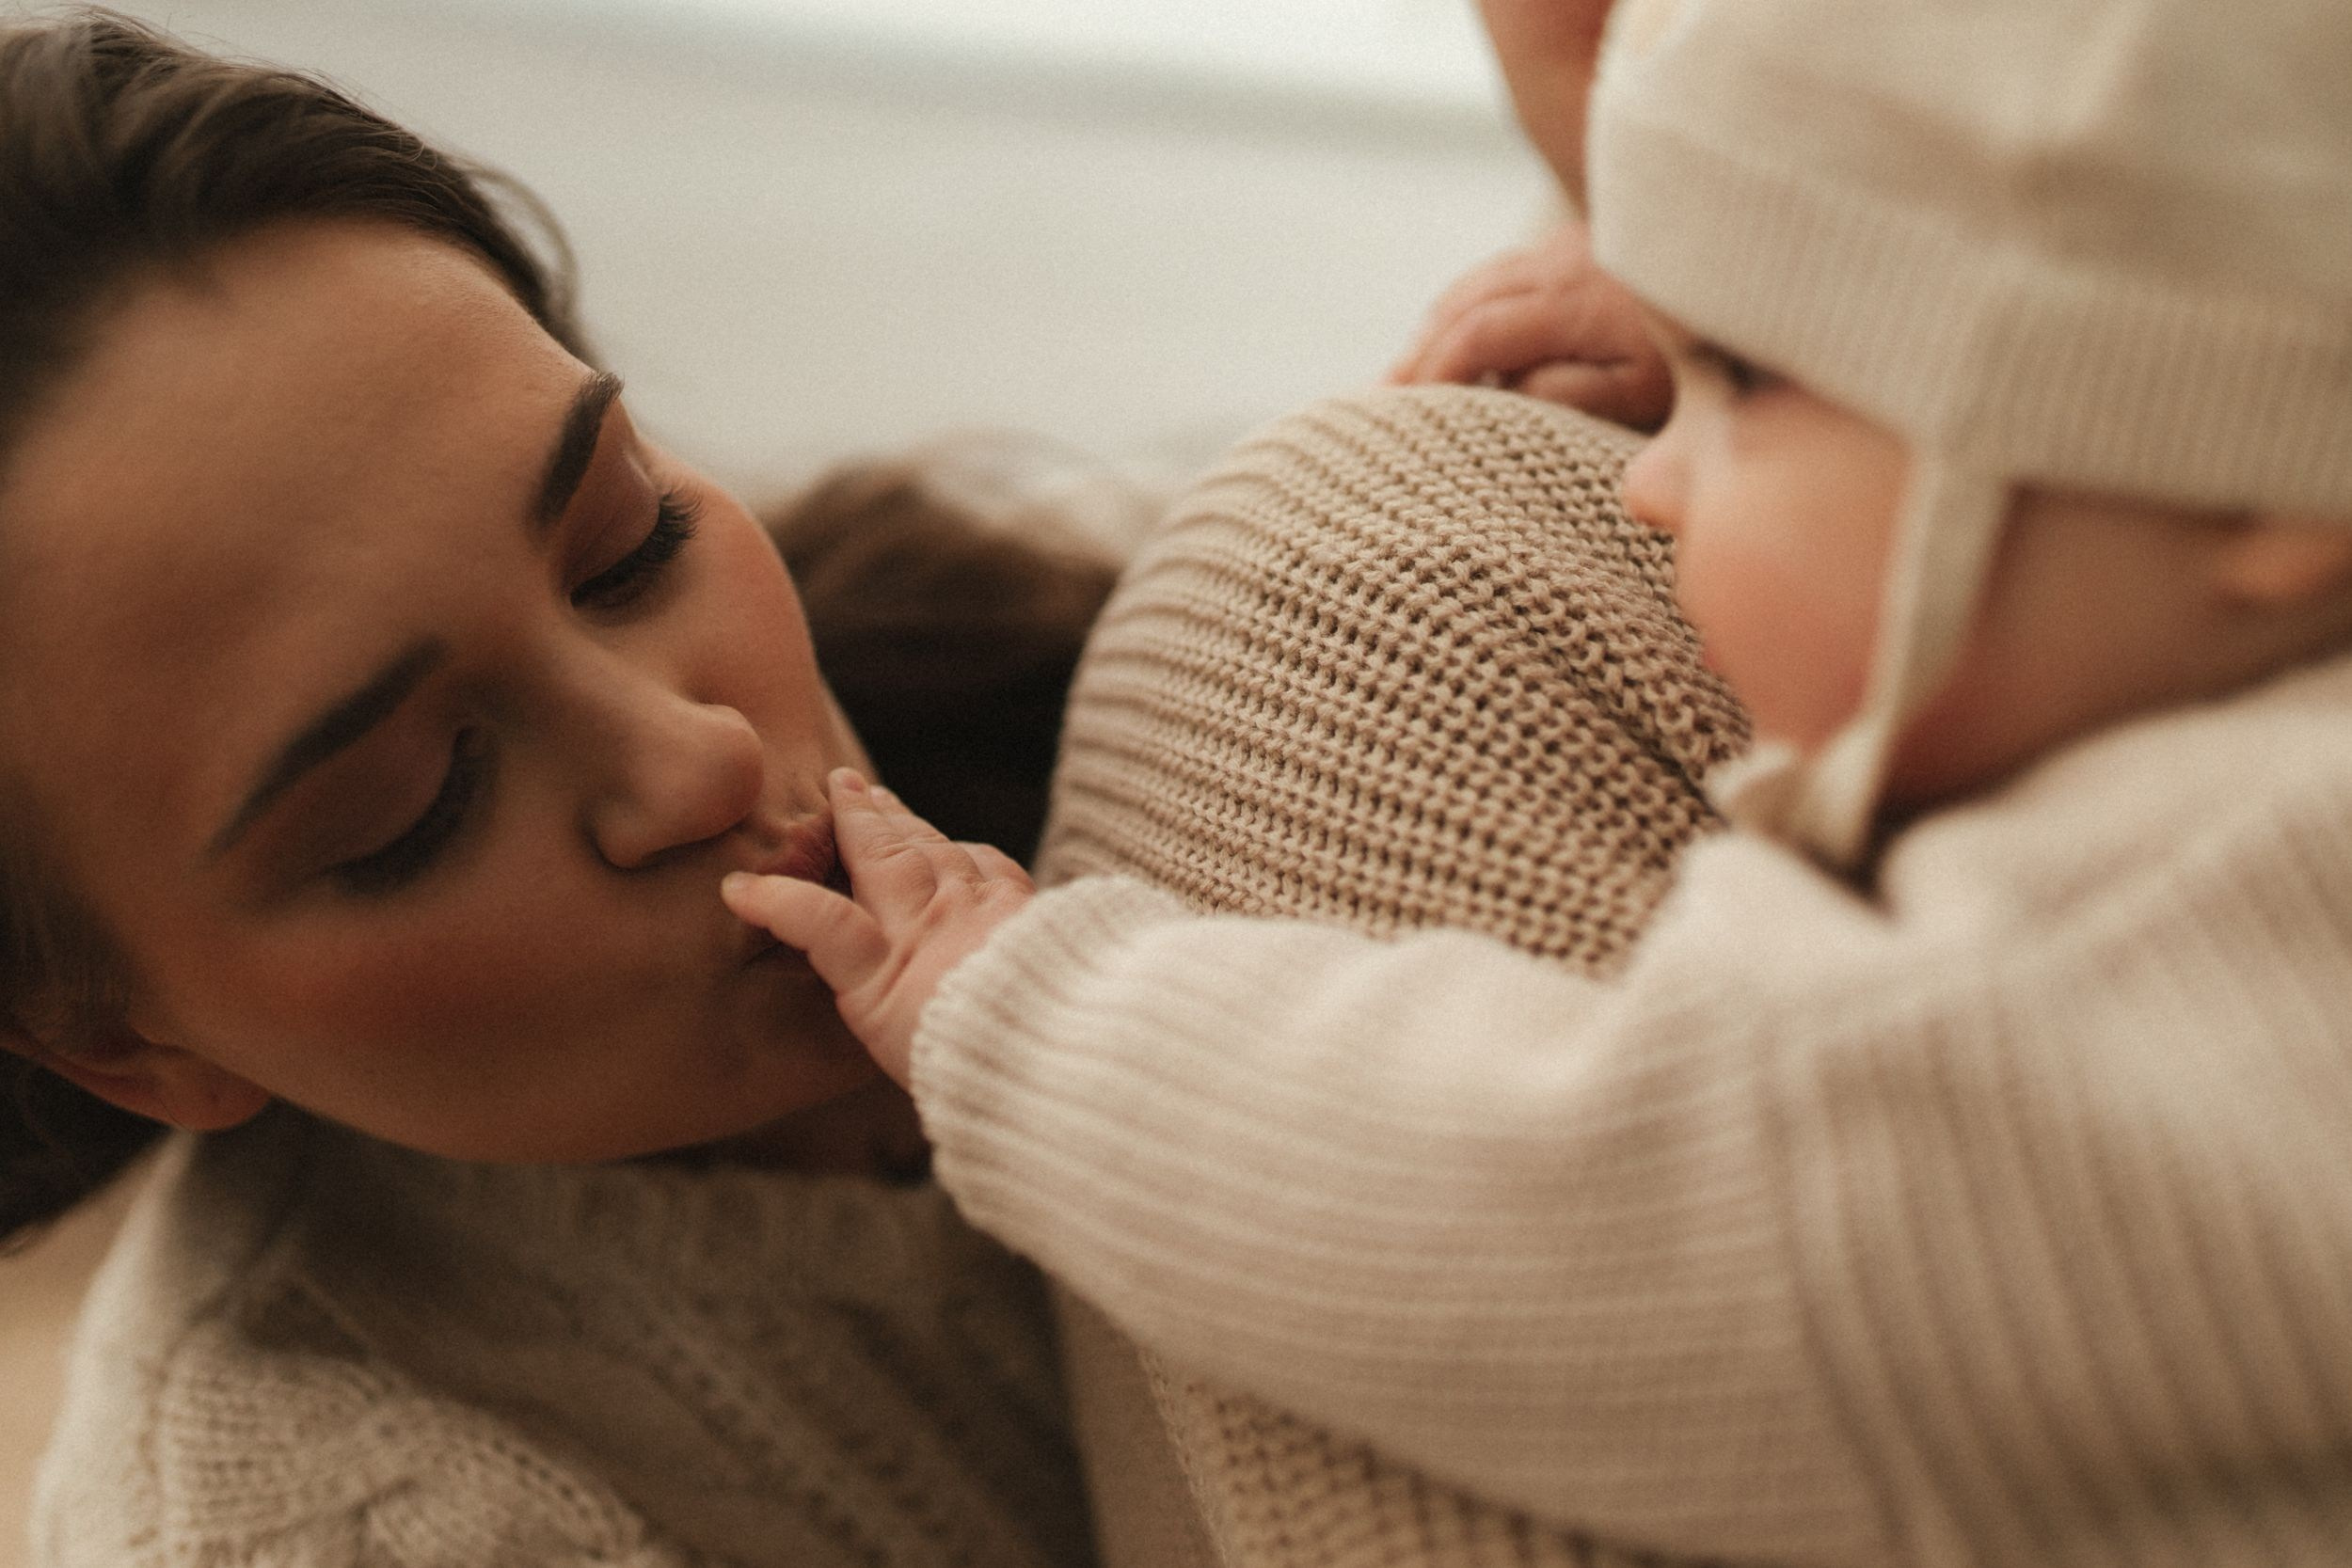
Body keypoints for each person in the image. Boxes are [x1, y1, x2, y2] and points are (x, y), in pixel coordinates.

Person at [724, 0, 2352, 1562]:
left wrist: (1014, 1010)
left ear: (2262, 489)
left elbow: (1556, 1202)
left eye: (1755, 381)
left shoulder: (2179, 936)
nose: (1651, 481)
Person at [0, 12, 1120, 1563]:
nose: (701, 756)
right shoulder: (362, 1521)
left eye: (628, 543)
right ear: (121, 1040)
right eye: (418, 805)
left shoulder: (1085, 681)